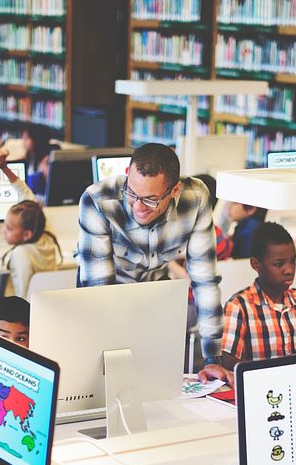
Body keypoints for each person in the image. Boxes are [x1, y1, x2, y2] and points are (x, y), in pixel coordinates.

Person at [78, 142, 231, 385]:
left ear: (174, 190)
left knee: (157, 384)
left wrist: (212, 357)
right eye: (132, 194)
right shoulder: (98, 200)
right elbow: (99, 292)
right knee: (107, 380)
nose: (138, 207)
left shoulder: (196, 198)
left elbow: (205, 281)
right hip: (108, 293)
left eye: (150, 200)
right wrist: (107, 355)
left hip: (156, 292)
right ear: (128, 175)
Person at [222, 222, 296, 369]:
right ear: (256, 265)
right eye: (279, 264)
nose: (289, 269)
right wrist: (275, 367)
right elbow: (228, 360)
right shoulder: (238, 306)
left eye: (293, 261)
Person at [0, 200, 62, 299]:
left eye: (9, 228)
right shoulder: (47, 239)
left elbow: (23, 294)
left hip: (30, 309)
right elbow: (34, 213)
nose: (2, 230)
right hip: (49, 304)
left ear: (27, 234)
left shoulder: (20, 253)